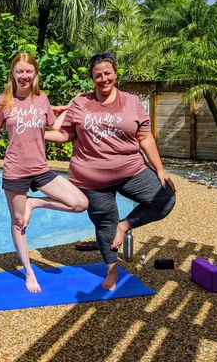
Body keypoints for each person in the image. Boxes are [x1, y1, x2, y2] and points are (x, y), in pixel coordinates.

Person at [46, 53, 176, 290]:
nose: (103, 79)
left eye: (107, 73)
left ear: (115, 74)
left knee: (165, 197)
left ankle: (124, 226)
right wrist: (35, 134)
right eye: (98, 75)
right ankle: (112, 271)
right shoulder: (80, 103)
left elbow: (145, 137)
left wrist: (159, 169)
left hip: (131, 170)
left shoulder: (131, 102)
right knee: (105, 222)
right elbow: (66, 134)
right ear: (92, 78)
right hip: (91, 177)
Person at [0, 53, 88, 293]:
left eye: (28, 71)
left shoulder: (42, 99)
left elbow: (54, 127)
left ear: (35, 73)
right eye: (19, 71)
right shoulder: (3, 102)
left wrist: (73, 106)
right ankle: (29, 270)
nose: (24, 76)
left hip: (40, 169)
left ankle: (34, 203)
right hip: (15, 172)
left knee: (80, 203)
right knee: (18, 223)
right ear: (12, 74)